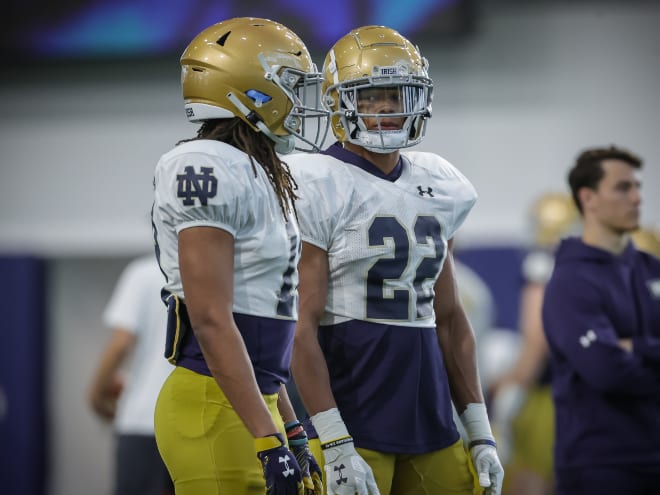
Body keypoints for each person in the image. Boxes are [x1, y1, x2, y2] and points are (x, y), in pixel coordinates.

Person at [287, 25, 504, 495]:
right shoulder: (316, 179)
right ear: (340, 102)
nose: (385, 107)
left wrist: (480, 430)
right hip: (352, 412)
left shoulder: (439, 181)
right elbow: (300, 326)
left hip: (430, 414)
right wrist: (334, 440)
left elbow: (448, 319)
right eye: (369, 97)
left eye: (394, 93)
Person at [150, 17, 327, 495]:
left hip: (254, 401)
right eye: (290, 86)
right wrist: (267, 440)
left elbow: (262, 338)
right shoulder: (205, 164)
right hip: (213, 403)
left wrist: (288, 424)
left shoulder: (262, 171)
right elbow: (210, 318)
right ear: (251, 90)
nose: (300, 102)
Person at [541, 145, 660, 495]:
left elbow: (620, 361)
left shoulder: (652, 269)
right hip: (600, 463)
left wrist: (634, 346)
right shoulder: (571, 282)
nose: (637, 198)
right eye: (623, 188)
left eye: (637, 187)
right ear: (588, 197)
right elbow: (607, 372)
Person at [488, 192, 578, 495]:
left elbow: (538, 339)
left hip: (549, 396)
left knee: (528, 480)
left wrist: (511, 379)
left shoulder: (542, 264)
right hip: (586, 393)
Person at [87, 254, 174, 495]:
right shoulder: (214, 270)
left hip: (143, 422)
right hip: (194, 425)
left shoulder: (143, 273)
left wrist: (95, 396)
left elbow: (121, 343)